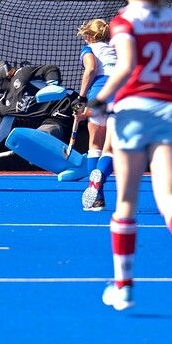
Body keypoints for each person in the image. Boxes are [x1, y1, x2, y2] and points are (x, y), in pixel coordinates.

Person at [85, 0, 172, 311]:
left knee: (126, 203)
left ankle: (123, 287)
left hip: (134, 111)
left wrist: (99, 100)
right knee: (168, 196)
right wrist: (170, 88)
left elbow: (125, 68)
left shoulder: (124, 21)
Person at [75, 18, 117, 212]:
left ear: (90, 36)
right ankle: (99, 179)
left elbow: (91, 69)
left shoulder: (89, 49)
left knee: (95, 145)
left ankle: (96, 198)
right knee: (111, 149)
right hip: (120, 93)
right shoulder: (116, 49)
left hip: (99, 93)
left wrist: (81, 97)